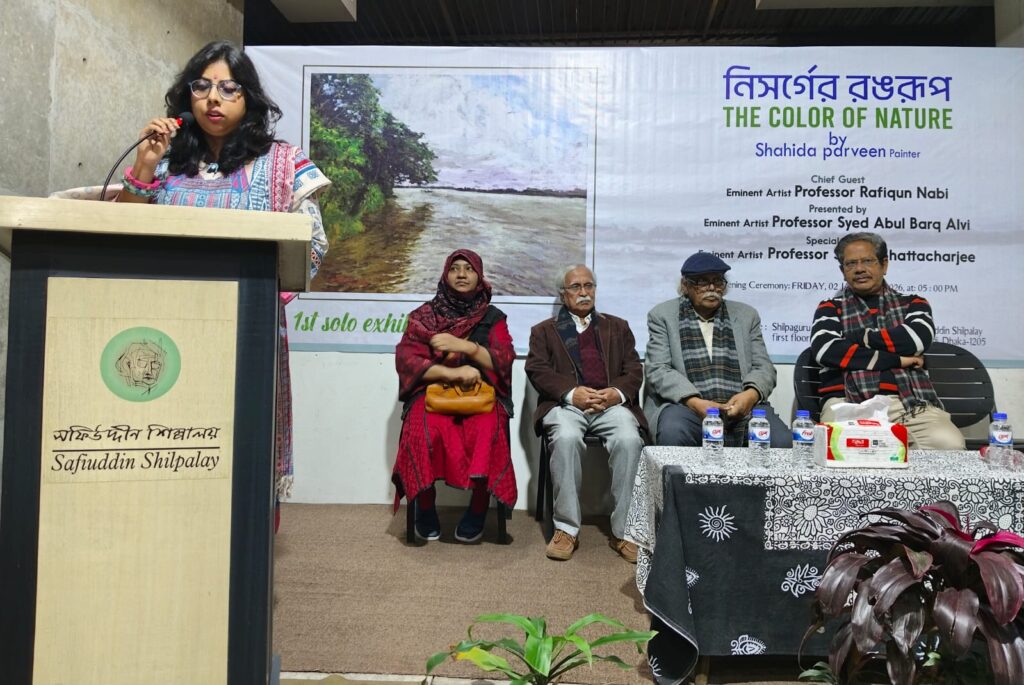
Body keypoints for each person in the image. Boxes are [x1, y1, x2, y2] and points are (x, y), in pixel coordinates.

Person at [116, 41, 331, 522]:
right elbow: (122, 234)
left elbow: (313, 245)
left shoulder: (282, 161)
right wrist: (145, 165)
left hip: (245, 333)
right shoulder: (166, 160)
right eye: (202, 86)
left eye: (229, 88)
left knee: (238, 442)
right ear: (187, 97)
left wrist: (261, 295)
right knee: (169, 441)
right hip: (165, 327)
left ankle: (241, 549)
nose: (213, 98)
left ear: (248, 98)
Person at [525, 265, 647, 563]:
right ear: (563, 294)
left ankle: (625, 531)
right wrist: (571, 393)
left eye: (589, 286)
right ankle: (566, 529)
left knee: (629, 440)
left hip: (610, 405)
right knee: (566, 438)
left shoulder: (617, 327)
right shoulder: (543, 331)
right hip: (566, 406)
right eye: (576, 287)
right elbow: (537, 370)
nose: (583, 293)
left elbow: (633, 369)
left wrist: (615, 393)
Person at [393, 249, 517, 543]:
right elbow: (407, 360)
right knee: (420, 428)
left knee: (488, 428)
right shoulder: (424, 316)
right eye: (455, 268)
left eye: (469, 269)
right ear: (445, 274)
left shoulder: (493, 318)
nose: (462, 274)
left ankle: (478, 508)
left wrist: (467, 348)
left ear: (479, 276)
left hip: (481, 395)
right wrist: (453, 374)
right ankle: (426, 505)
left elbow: (504, 359)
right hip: (433, 392)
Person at [811, 232, 965, 449]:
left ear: (884, 265)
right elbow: (827, 351)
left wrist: (859, 337)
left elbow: (914, 340)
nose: (859, 269)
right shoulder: (829, 308)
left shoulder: (913, 304)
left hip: (908, 403)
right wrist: (900, 360)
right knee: (838, 449)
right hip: (847, 401)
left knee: (949, 445)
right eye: (851, 263)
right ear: (842, 271)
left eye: (867, 261)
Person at [645, 253, 791, 448]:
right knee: (673, 430)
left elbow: (764, 367)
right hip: (685, 406)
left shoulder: (746, 315)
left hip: (741, 407)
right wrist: (694, 402)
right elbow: (658, 369)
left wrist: (750, 395)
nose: (712, 288)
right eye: (702, 282)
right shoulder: (662, 315)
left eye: (718, 281)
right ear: (685, 285)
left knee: (781, 440)